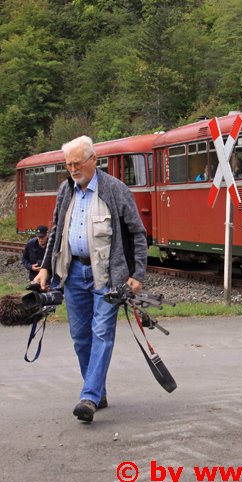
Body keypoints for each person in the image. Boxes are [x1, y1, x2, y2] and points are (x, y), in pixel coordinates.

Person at [33, 135, 148, 423]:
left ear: (93, 160)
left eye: (77, 163)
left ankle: (89, 397)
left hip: (108, 277)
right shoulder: (65, 190)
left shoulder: (115, 189)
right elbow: (57, 232)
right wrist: (45, 268)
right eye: (68, 164)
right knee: (80, 338)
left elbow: (137, 234)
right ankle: (98, 391)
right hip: (73, 274)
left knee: (101, 334)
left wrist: (137, 275)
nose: (72, 169)